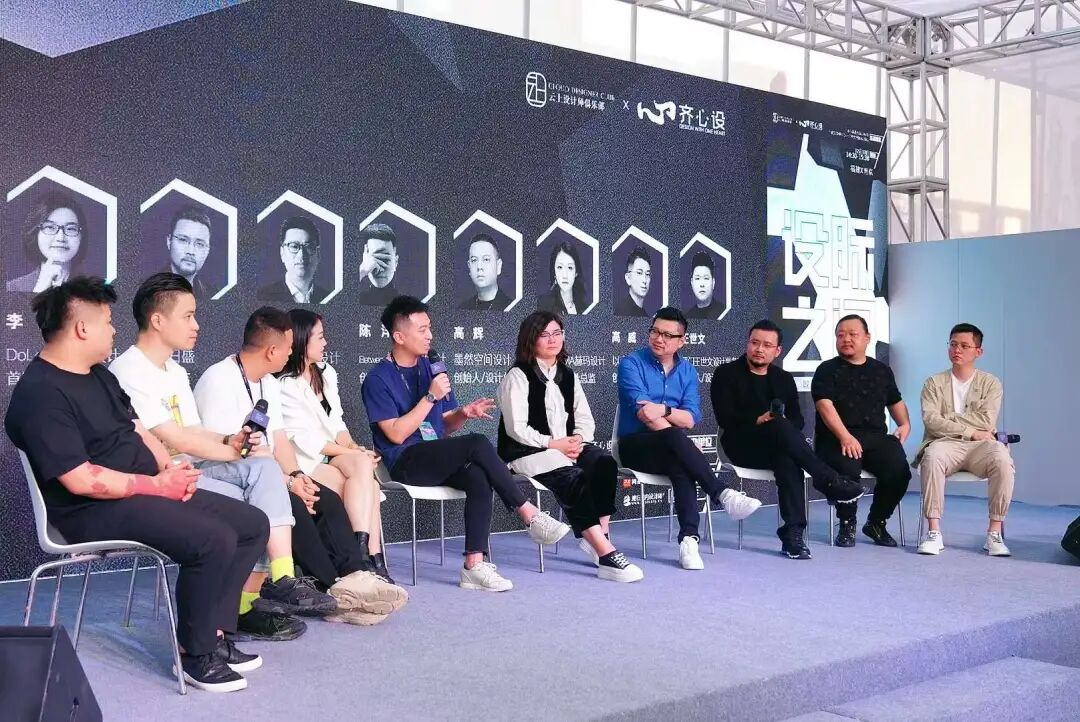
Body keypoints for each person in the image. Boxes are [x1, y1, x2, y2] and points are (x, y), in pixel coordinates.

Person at [4, 276, 269, 693]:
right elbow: (81, 480)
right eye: (108, 322)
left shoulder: (99, 376)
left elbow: (137, 429)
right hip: (87, 511)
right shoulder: (40, 393)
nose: (114, 330)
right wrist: (158, 486)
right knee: (213, 538)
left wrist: (171, 472)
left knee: (251, 524)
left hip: (144, 490)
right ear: (82, 328)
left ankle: (215, 632)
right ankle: (195, 653)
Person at [110, 273, 333, 642]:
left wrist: (233, 440)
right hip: (160, 481)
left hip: (193, 470)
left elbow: (196, 433)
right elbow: (176, 437)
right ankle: (239, 608)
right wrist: (231, 448)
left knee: (263, 469)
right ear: (158, 320)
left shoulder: (175, 371)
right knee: (252, 502)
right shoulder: (128, 370)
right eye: (188, 316)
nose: (196, 325)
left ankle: (279, 578)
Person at [194, 307, 408, 626]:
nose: (291, 353)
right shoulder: (219, 380)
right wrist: (288, 482)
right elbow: (230, 453)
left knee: (326, 499)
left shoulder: (267, 383)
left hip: (265, 473)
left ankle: (355, 576)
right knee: (294, 503)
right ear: (272, 351)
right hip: (223, 476)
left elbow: (278, 439)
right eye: (288, 347)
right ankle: (336, 595)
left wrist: (296, 475)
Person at [361, 295, 570, 592]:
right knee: (477, 443)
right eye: (422, 329)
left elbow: (442, 427)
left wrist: (462, 413)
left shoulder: (431, 367)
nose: (430, 335)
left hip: (434, 456)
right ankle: (528, 513)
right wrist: (430, 397)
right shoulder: (377, 379)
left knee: (478, 474)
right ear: (399, 336)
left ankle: (474, 564)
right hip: (405, 462)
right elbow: (396, 434)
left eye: (429, 328)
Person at [496, 311, 643, 582]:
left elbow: (584, 418)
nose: (552, 340)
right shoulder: (518, 376)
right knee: (572, 476)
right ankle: (606, 553)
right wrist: (554, 444)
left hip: (566, 447)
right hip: (528, 452)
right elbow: (516, 428)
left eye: (557, 333)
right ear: (530, 339)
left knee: (604, 463)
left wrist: (577, 441)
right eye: (544, 335)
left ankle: (600, 535)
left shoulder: (568, 375)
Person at [615, 307, 762, 570]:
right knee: (679, 447)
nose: (659, 339)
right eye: (655, 331)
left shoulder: (688, 371)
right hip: (635, 446)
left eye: (667, 335)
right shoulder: (631, 364)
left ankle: (688, 541)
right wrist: (676, 432)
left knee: (681, 463)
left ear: (682, 341)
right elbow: (645, 414)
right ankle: (721, 493)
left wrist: (665, 410)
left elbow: (690, 419)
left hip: (671, 450)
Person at [711, 320, 863, 560]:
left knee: (787, 457)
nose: (759, 349)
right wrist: (759, 419)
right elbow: (725, 417)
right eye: (755, 343)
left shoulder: (783, 378)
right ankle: (827, 480)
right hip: (740, 445)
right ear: (747, 344)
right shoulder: (726, 374)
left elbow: (798, 420)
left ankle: (793, 535)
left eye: (767, 345)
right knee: (778, 427)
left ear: (777, 351)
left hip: (776, 446)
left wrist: (779, 424)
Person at [277, 309, 392, 581]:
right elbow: (308, 441)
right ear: (301, 340)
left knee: (364, 465)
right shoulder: (284, 384)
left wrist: (353, 446)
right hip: (305, 460)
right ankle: (370, 557)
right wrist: (350, 451)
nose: (325, 342)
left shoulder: (327, 373)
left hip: (334, 454)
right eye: (319, 337)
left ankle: (364, 552)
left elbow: (337, 421)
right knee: (370, 486)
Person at [812, 314, 912, 548]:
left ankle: (876, 522)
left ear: (867, 338)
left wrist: (905, 424)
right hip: (836, 437)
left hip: (875, 437)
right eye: (840, 335)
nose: (846, 339)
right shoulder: (826, 369)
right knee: (847, 467)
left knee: (899, 471)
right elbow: (824, 406)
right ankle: (847, 523)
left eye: (852, 334)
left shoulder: (881, 370)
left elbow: (895, 401)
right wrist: (845, 436)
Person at [915, 323, 1014, 557]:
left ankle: (994, 533)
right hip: (945, 444)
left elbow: (986, 420)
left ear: (978, 351)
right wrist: (971, 431)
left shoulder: (991, 383)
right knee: (932, 456)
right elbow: (932, 421)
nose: (957, 350)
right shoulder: (933, 383)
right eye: (953, 344)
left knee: (1002, 457)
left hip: (981, 446)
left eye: (964, 346)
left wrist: (950, 418)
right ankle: (933, 532)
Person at [7, 191, 88, 293]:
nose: (61, 238)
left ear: (81, 236)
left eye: (70, 229)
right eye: (50, 227)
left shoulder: (97, 290)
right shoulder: (12, 288)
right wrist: (40, 288)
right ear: (35, 233)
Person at [257, 216, 329, 304]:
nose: (301, 255)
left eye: (309, 247)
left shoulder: (329, 297)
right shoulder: (263, 297)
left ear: (318, 254)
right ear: (282, 253)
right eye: (294, 246)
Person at [162, 205, 213, 299]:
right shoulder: (144, 289)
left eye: (199, 244)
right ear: (169, 241)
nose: (190, 251)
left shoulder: (213, 294)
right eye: (183, 240)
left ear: (207, 250)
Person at [459, 233, 510, 311]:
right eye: (474, 260)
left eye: (486, 259)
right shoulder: (462, 309)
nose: (479, 267)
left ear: (498, 266)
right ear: (469, 266)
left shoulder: (512, 307)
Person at [355, 222, 401, 306]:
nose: (380, 268)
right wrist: (361, 271)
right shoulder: (353, 300)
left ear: (396, 262)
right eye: (375, 259)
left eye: (385, 259)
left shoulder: (409, 306)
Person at [536, 241, 586, 316]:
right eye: (560, 267)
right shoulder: (542, 305)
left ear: (576, 272)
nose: (565, 275)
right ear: (554, 272)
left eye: (570, 267)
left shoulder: (585, 307)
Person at [683, 252, 724, 320]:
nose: (702, 284)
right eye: (697, 278)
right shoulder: (687, 317)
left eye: (706, 278)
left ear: (713, 282)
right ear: (692, 283)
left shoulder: (724, 312)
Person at [614, 246, 650, 317]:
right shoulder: (622, 312)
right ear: (628, 278)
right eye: (639, 273)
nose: (644, 280)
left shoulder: (644, 314)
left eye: (647, 274)